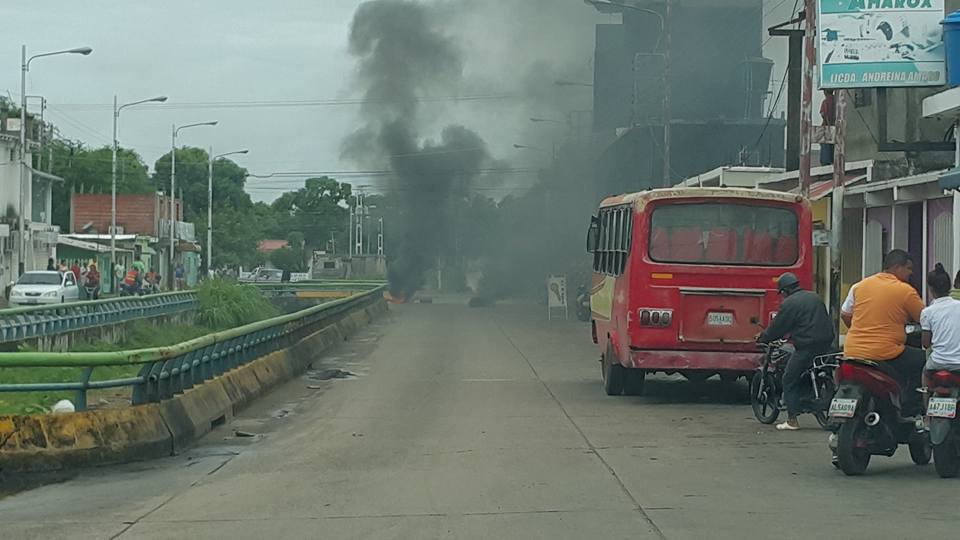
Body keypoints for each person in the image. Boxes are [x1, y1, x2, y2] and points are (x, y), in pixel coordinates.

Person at [844, 249, 926, 417]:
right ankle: (910, 408)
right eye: (909, 268)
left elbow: (845, 314)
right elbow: (926, 320)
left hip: (852, 351)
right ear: (897, 267)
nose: (911, 273)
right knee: (922, 361)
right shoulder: (905, 291)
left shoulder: (859, 286)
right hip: (885, 353)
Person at [758, 272, 836, 431]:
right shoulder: (814, 297)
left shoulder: (790, 303)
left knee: (788, 378)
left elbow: (778, 326)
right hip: (827, 345)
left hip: (807, 346)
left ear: (785, 291)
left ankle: (792, 420)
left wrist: (764, 337)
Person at [921, 264, 960, 376]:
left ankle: (925, 392)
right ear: (949, 287)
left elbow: (926, 344)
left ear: (931, 289)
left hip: (937, 362)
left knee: (925, 373)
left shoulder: (927, 312)